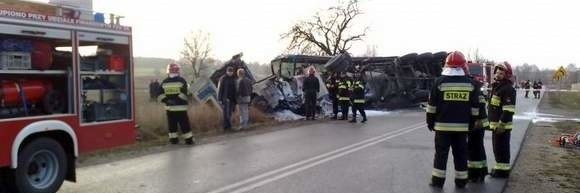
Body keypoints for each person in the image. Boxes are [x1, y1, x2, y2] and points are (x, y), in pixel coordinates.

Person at [426, 51, 479, 188]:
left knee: (441, 155)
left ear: (447, 65)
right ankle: (461, 181)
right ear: (463, 66)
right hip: (462, 129)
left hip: (442, 128)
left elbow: (431, 107)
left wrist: (430, 122)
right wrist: (471, 124)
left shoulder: (438, 82)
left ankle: (437, 182)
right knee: (461, 154)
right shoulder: (471, 84)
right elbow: (475, 109)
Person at [488, 61, 517, 178]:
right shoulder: (496, 87)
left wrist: (501, 124)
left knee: (502, 148)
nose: (498, 75)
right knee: (497, 148)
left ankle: (503, 171)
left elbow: (508, 110)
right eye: (497, 72)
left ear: (507, 75)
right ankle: (499, 167)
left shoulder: (508, 89)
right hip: (496, 126)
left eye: (501, 73)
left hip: (502, 126)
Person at [463, 64, 490, 183]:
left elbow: (478, 105)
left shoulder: (470, 85)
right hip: (479, 122)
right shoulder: (473, 84)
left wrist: (476, 120)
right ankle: (482, 171)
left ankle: (475, 174)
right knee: (478, 147)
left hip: (477, 122)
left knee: (474, 148)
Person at [157, 63, 195, 145]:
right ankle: (188, 140)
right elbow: (185, 94)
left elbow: (159, 95)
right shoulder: (182, 80)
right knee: (184, 124)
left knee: (172, 125)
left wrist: (167, 101)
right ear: (177, 71)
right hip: (180, 108)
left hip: (170, 108)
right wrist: (175, 100)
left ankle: (174, 140)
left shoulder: (164, 82)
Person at [218, 67, 237, 132]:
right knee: (226, 113)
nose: (230, 73)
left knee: (229, 113)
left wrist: (235, 99)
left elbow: (235, 89)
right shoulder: (223, 78)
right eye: (229, 71)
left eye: (231, 72)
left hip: (232, 99)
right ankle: (227, 127)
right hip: (225, 99)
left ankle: (227, 127)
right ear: (227, 71)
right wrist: (220, 99)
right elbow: (220, 89)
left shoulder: (233, 78)